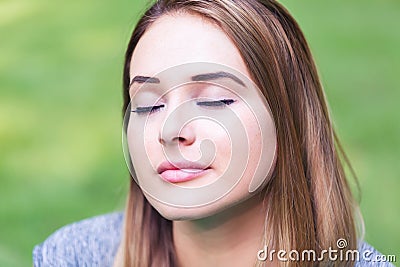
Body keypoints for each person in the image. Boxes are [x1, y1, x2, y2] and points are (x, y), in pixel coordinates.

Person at [33, 0, 395, 266]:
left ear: (289, 120)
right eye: (147, 104)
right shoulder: (72, 257)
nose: (169, 131)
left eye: (214, 101)